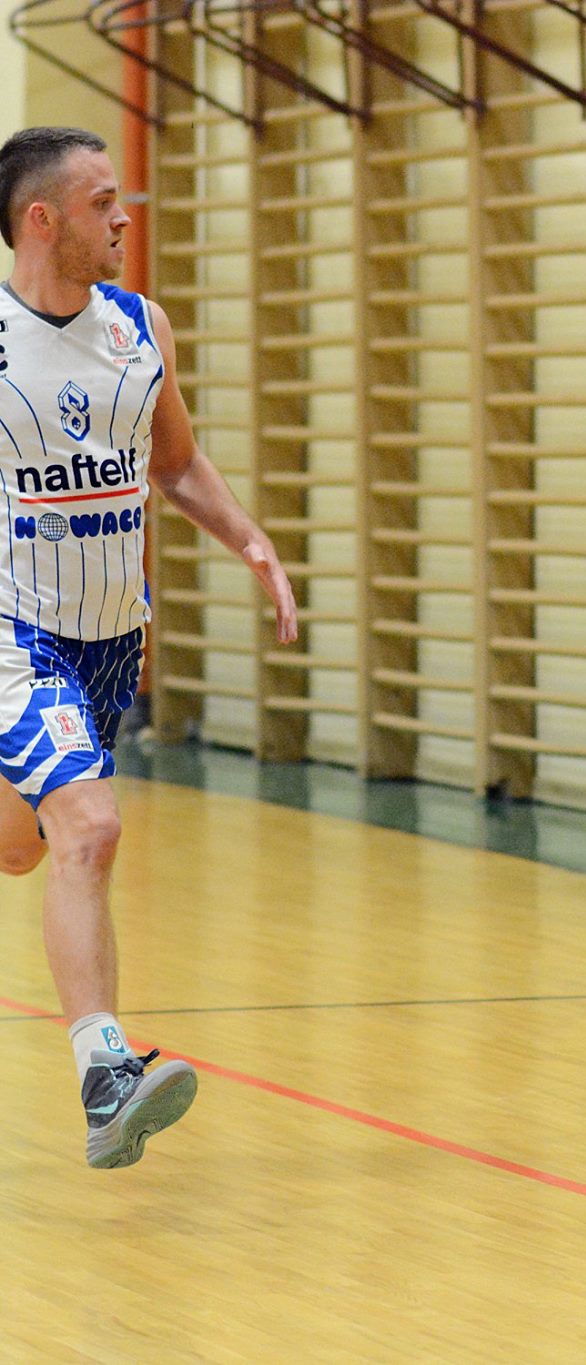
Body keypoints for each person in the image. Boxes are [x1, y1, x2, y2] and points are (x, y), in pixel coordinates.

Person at [0, 127, 299, 1167]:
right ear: (42, 220)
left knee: (23, 846)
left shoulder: (139, 327)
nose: (123, 218)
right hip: (14, 631)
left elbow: (173, 463)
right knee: (90, 829)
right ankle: (105, 1074)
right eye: (102, 203)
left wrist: (248, 537)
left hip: (109, 639)